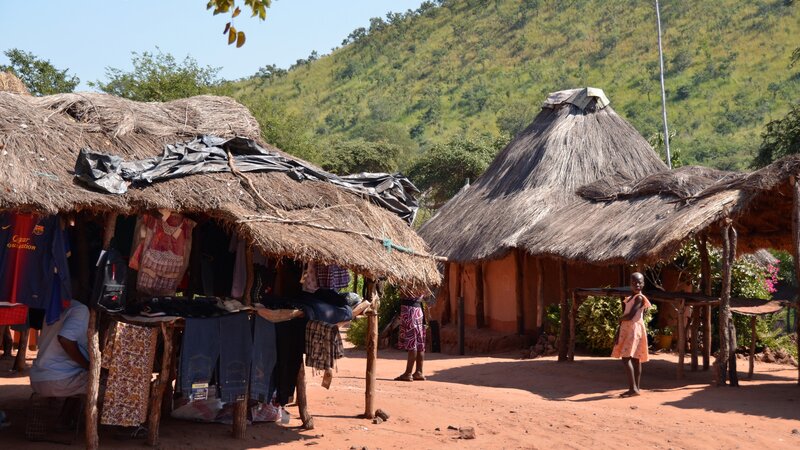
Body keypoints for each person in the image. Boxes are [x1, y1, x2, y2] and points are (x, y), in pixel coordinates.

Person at [29, 300, 90, 397]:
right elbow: (65, 340)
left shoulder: (56, 305)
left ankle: (69, 412)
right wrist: (87, 365)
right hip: (59, 380)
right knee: (110, 385)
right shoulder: (80, 309)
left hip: (37, 379)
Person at [611, 272, 651, 397]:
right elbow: (627, 316)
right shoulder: (630, 298)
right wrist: (618, 331)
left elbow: (630, 315)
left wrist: (619, 318)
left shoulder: (639, 298)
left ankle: (633, 388)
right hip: (628, 329)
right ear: (630, 284)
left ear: (643, 284)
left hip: (634, 329)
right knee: (634, 358)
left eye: (639, 282)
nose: (637, 285)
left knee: (626, 358)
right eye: (634, 283)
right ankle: (636, 388)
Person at [394, 288, 427, 382]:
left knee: (412, 341)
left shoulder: (409, 280)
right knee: (419, 342)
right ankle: (418, 372)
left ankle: (408, 373)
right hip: (418, 310)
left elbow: (402, 291)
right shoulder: (420, 280)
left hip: (410, 311)